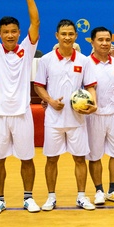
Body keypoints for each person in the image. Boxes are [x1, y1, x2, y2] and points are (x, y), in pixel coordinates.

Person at [0, 0, 41, 215]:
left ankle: (28, 198)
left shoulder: (27, 49)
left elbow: (35, 21)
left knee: (27, 159)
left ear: (19, 33)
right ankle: (0, 199)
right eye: (5, 32)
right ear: (0, 34)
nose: (9, 35)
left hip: (22, 114)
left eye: (13, 31)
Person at [33, 19, 99, 211]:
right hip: (53, 119)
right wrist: (51, 101)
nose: (67, 37)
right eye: (64, 34)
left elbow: (90, 86)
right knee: (51, 158)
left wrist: (92, 104)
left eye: (71, 34)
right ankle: (51, 197)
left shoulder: (84, 61)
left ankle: (81, 196)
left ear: (76, 36)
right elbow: (38, 86)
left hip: (77, 119)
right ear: (57, 36)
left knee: (79, 158)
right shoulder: (46, 60)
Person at [86, 26, 114, 205]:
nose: (104, 43)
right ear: (93, 42)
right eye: (100, 40)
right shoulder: (85, 63)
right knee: (95, 156)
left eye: (107, 40)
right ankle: (98, 191)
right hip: (93, 117)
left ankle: (113, 189)